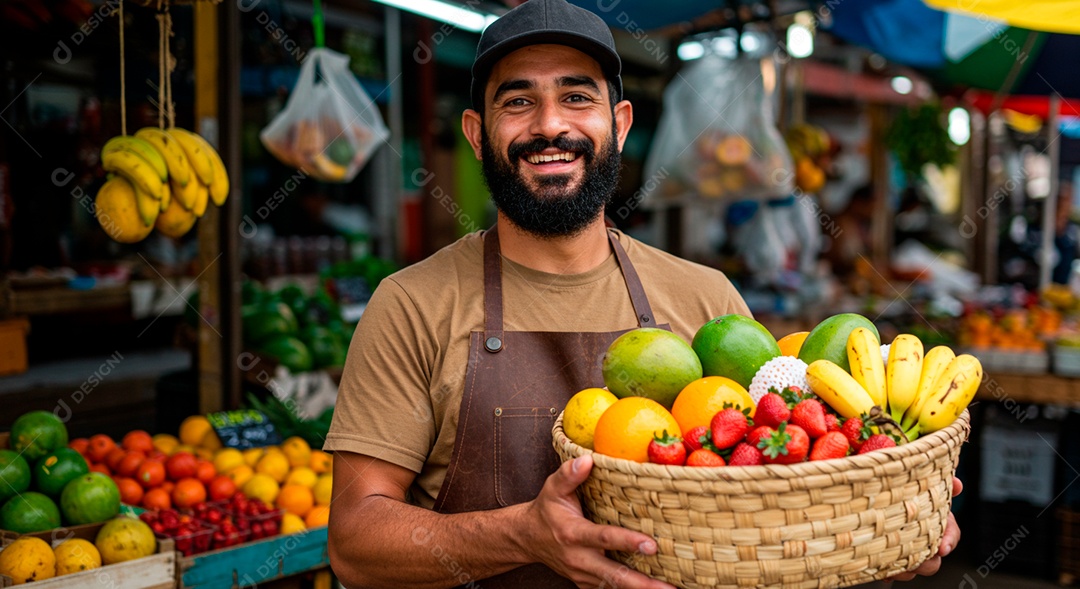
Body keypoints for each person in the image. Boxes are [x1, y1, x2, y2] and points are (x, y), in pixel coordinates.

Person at [325, 1, 960, 587]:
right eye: (517, 103)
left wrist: (882, 534)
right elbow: (354, 542)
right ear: (475, 132)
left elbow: (780, 506)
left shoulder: (707, 299)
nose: (550, 126)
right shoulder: (411, 305)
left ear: (620, 124)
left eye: (577, 97)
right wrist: (520, 536)